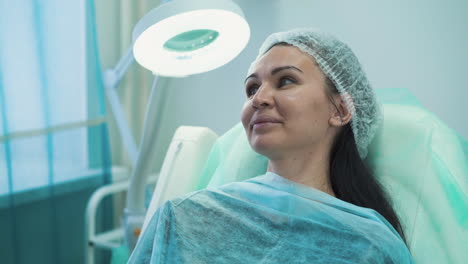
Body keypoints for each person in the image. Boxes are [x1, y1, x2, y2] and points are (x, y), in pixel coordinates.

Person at [128, 28, 414, 263]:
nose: (259, 99)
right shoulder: (184, 219)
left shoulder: (370, 246)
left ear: (340, 110)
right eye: (252, 88)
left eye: (286, 81)